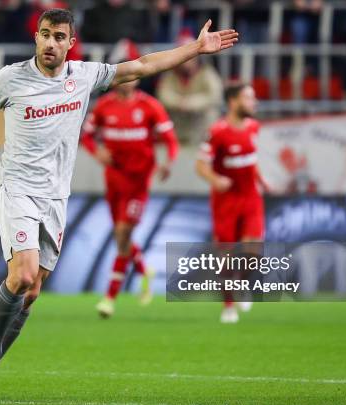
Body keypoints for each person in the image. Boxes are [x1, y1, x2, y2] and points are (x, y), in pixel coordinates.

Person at [0, 8, 238, 400]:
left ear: (70, 42)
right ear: (36, 37)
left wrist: (195, 49)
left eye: (59, 37)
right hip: (17, 189)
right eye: (45, 34)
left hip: (56, 198)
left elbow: (144, 65)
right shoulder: (10, 78)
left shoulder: (83, 76)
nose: (50, 43)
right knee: (24, 274)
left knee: (32, 293)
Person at [81, 72, 179, 318]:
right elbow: (87, 136)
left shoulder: (149, 106)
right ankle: (144, 270)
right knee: (120, 235)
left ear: (137, 80)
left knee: (123, 234)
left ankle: (109, 298)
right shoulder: (104, 106)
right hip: (114, 181)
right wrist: (98, 152)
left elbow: (170, 139)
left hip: (138, 183)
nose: (127, 79)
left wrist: (168, 162)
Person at [196, 83, 268, 324]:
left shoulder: (254, 128)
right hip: (225, 201)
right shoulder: (218, 132)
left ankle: (241, 284)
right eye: (249, 98)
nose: (254, 103)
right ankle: (228, 305)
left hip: (250, 198)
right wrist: (216, 179)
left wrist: (262, 181)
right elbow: (200, 165)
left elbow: (252, 160)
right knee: (226, 255)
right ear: (233, 102)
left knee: (253, 250)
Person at [157, 32, 224, 145]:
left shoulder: (207, 73)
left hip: (202, 133)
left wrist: (190, 103)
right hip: (177, 132)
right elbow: (163, 95)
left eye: (190, 56)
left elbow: (214, 96)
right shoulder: (170, 75)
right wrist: (179, 102)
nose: (187, 61)